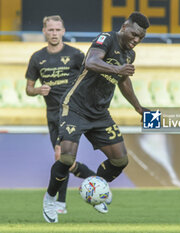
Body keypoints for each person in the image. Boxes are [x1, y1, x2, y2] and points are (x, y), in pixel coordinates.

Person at [42, 12, 150, 223]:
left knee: (120, 160)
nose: (136, 40)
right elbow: (91, 62)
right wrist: (117, 68)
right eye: (135, 35)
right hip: (75, 106)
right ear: (125, 27)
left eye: (141, 38)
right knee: (66, 157)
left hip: (100, 113)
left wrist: (139, 108)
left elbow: (123, 81)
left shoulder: (129, 55)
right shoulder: (106, 39)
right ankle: (50, 199)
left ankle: (94, 189)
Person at [25, 15, 96, 215]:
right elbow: (28, 89)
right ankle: (96, 181)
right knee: (64, 160)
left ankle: (60, 202)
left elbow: (90, 78)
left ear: (64, 31)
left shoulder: (75, 55)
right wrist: (38, 90)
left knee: (61, 156)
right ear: (44, 32)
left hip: (72, 113)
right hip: (52, 115)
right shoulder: (37, 58)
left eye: (58, 30)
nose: (54, 33)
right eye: (51, 30)